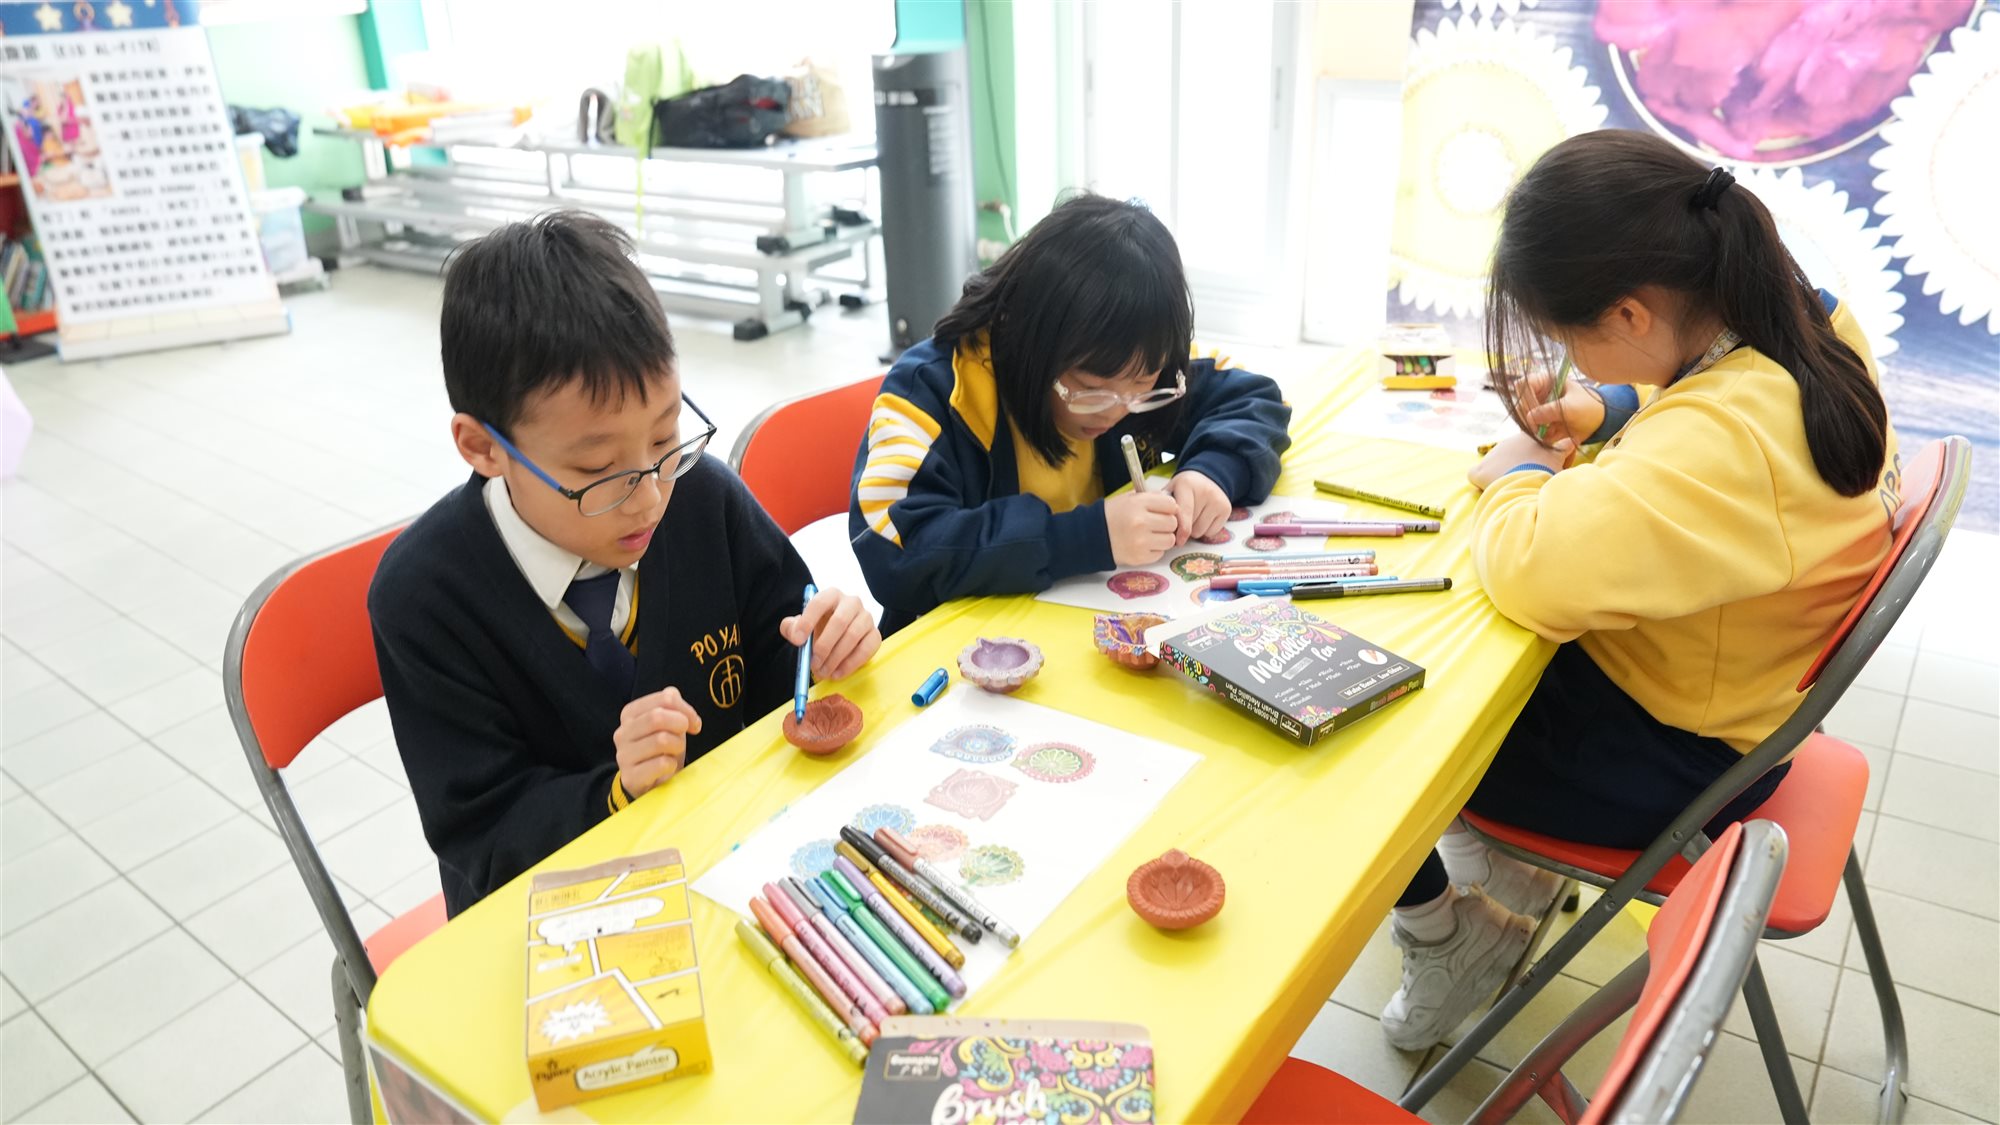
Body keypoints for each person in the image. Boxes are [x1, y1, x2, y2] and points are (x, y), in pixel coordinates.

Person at [1380, 130, 1899, 1049]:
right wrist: (1606, 407)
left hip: (1670, 761)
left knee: (1379, 706)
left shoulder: (1726, 443)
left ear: (1628, 314)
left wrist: (1518, 471)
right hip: (1736, 705)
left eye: (1571, 341)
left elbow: (1530, 568)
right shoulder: (1800, 316)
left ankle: (1445, 933)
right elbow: (1694, 399)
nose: (1569, 358)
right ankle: (1501, 865)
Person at [370, 211, 881, 915]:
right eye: (597, 471)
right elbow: (482, 834)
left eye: (666, 436)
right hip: (558, 913)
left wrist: (823, 650)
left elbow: (782, 660)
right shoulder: (425, 596)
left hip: (734, 861)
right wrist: (615, 791)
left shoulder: (701, 497)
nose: (649, 497)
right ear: (484, 448)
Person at [849, 193, 1292, 634]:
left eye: (1143, 385)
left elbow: (1256, 397)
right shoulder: (933, 391)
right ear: (1031, 340)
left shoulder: (1133, 360)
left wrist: (1212, 471)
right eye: (1092, 391)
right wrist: (1086, 537)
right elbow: (893, 548)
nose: (1118, 410)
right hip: (964, 647)